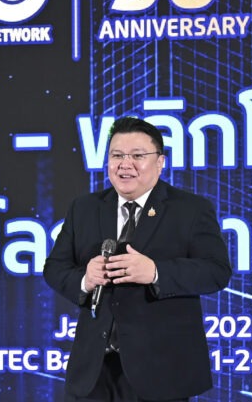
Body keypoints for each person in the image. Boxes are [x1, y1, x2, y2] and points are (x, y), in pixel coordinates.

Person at [43, 116, 232, 402]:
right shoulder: (84, 208)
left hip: (161, 371)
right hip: (94, 372)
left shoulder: (190, 209)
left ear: (160, 162)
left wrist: (155, 272)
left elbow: (216, 271)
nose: (125, 164)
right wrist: (85, 279)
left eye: (137, 156)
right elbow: (55, 268)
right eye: (117, 155)